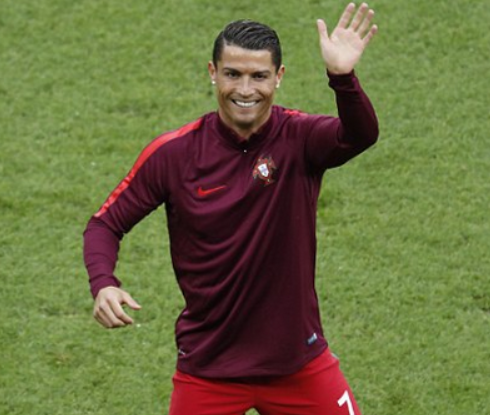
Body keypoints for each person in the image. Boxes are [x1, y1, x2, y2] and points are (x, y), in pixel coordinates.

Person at [83, 2, 379, 414]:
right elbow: (104, 225)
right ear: (213, 73)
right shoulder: (174, 155)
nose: (245, 89)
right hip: (209, 369)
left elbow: (360, 135)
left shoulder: (300, 139)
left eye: (259, 76)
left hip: (298, 364)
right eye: (233, 74)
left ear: (278, 77)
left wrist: (342, 78)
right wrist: (104, 283)